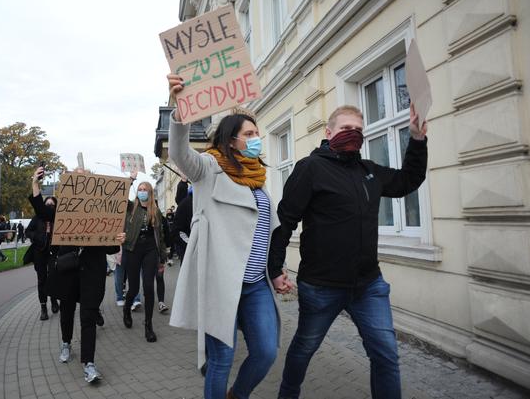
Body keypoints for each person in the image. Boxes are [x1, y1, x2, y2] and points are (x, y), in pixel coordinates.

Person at [269, 105, 428, 399]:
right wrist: (275, 268)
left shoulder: (369, 171)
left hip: (368, 286)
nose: (352, 134)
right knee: (304, 348)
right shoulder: (310, 168)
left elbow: (408, 181)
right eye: (345, 128)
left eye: (358, 129)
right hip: (321, 286)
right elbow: (285, 219)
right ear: (328, 133)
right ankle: (287, 394)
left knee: (386, 355)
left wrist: (417, 140)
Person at [167, 74, 281, 399]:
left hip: (256, 282)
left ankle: (237, 395)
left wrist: (276, 269)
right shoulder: (209, 169)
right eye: (249, 133)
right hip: (221, 283)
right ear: (232, 140)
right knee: (221, 359)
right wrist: (179, 114)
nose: (256, 138)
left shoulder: (257, 176)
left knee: (266, 352)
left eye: (257, 133)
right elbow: (179, 153)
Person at [29, 166, 124, 383]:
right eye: (75, 179)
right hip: (68, 269)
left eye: (84, 179)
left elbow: (110, 249)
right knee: (67, 311)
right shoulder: (63, 211)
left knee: (88, 315)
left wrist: (117, 238)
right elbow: (41, 212)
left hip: (93, 271)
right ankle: (66, 343)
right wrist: (35, 183)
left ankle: (89, 363)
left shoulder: (103, 213)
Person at [122, 179, 167, 343]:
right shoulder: (130, 208)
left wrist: (162, 258)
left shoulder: (156, 211)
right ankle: (127, 308)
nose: (142, 191)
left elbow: (160, 236)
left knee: (148, 286)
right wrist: (130, 180)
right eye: (139, 189)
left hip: (150, 250)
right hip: (133, 249)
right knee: (133, 288)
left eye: (145, 189)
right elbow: (119, 195)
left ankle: (148, 325)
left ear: (150, 193)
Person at [23, 202, 60, 320]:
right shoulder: (37, 218)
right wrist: (37, 237)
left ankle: (54, 299)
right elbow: (28, 231)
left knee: (53, 276)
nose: (50, 207)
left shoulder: (58, 218)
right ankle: (43, 307)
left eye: (52, 204)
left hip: (54, 251)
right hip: (39, 252)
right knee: (42, 279)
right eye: (47, 204)